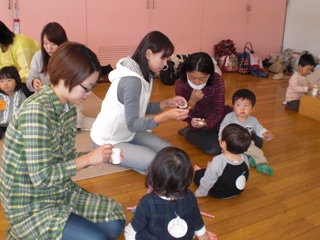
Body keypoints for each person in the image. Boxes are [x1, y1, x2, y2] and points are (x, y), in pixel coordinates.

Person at [0, 42, 126, 240]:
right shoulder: (36, 111)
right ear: (67, 78)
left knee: (116, 221)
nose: (89, 93)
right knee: (98, 238)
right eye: (86, 87)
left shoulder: (67, 106)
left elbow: (65, 157)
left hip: (58, 189)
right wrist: (87, 159)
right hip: (29, 202)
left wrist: (97, 156)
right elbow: (41, 178)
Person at [90, 31, 189, 174]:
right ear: (148, 54)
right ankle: (107, 155)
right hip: (109, 140)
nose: (165, 64)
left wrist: (166, 103)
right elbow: (133, 124)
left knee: (169, 153)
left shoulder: (144, 73)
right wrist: (166, 116)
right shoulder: (132, 81)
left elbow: (139, 108)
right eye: (163, 58)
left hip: (128, 133)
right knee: (157, 163)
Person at [124, 146, 217, 240]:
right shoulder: (190, 196)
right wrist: (203, 234)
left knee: (131, 231)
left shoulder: (147, 202)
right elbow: (198, 225)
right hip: (182, 236)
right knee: (191, 227)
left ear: (153, 173)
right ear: (187, 178)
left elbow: (133, 232)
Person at [175, 52, 252, 155]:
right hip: (196, 122)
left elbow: (219, 110)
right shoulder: (181, 84)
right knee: (213, 148)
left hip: (216, 117)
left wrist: (207, 123)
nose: (197, 82)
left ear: (209, 74)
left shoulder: (217, 80)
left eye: (202, 78)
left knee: (250, 139)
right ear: (186, 72)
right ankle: (187, 131)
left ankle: (214, 131)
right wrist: (191, 103)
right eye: (192, 77)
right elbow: (181, 115)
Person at [25, 22, 84, 129]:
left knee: (76, 123)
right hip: (45, 99)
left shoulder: (69, 57)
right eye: (45, 43)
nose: (49, 48)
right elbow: (31, 77)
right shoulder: (39, 56)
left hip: (66, 99)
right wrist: (34, 82)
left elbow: (77, 83)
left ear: (62, 42)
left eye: (53, 44)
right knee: (37, 121)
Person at [220, 89, 274, 175]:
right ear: (233, 106)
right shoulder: (229, 117)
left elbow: (260, 129)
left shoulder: (253, 120)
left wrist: (265, 134)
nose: (242, 108)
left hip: (246, 143)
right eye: (238, 105)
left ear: (252, 108)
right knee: (229, 156)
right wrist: (222, 141)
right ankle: (246, 158)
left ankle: (261, 164)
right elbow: (222, 130)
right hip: (232, 143)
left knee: (258, 152)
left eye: (246, 105)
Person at [194, 123, 251, 199]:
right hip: (237, 191)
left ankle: (203, 171)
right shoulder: (245, 158)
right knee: (215, 170)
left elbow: (207, 181)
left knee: (199, 175)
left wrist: (199, 193)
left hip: (220, 193)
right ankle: (211, 170)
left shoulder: (219, 161)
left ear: (224, 144)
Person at [0, 21, 39, 97]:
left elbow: (27, 73)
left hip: (33, 80)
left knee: (19, 95)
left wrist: (10, 81)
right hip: (13, 80)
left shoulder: (21, 45)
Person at [0, 66, 26, 139]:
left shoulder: (21, 95)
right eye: (1, 81)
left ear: (16, 82)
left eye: (9, 80)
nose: (5, 84)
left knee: (19, 135)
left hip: (15, 124)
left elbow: (24, 110)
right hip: (1, 124)